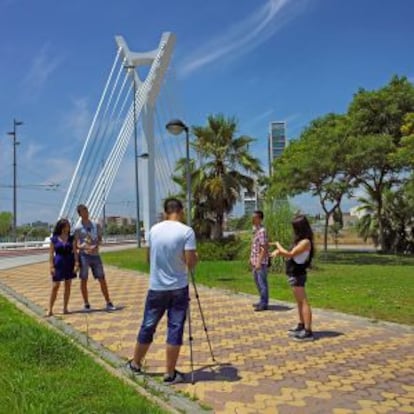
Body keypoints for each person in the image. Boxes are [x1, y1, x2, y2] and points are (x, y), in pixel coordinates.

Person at [127, 198, 197, 384]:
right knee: (175, 328)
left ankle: (135, 364)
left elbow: (149, 258)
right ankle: (170, 373)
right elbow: (190, 263)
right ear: (180, 211)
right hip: (179, 288)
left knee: (148, 325)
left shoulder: (153, 230)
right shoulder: (186, 231)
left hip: (156, 287)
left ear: (165, 212)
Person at [270, 214, 314, 341]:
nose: (294, 230)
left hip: (298, 274)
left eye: (295, 228)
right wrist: (278, 248)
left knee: (303, 301)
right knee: (299, 302)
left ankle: (308, 331)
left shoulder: (305, 242)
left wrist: (278, 248)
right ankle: (301, 325)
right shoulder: (301, 241)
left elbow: (290, 254)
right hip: (294, 274)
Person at [74, 204, 115, 312]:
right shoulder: (78, 228)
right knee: (84, 279)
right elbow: (76, 244)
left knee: (102, 278)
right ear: (80, 214)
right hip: (84, 256)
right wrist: (81, 247)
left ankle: (108, 301)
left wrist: (96, 246)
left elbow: (100, 238)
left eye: (86, 210)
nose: (86, 213)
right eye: (83, 211)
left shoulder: (95, 225)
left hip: (95, 255)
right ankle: (86, 303)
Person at [47, 218, 79, 316]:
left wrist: (77, 263)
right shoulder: (54, 238)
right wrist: (51, 266)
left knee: (68, 286)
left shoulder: (71, 238)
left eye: (69, 226)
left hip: (69, 263)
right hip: (58, 264)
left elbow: (75, 252)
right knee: (55, 286)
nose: (68, 227)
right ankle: (50, 309)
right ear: (61, 227)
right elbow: (51, 254)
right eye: (66, 226)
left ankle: (65, 308)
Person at [250, 210, 269, 311]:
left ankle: (264, 303)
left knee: (262, 282)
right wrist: (251, 259)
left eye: (255, 217)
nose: (252, 219)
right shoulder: (256, 230)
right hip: (254, 261)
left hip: (260, 262)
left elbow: (263, 248)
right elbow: (254, 247)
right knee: (257, 281)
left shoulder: (262, 231)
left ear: (260, 219)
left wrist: (258, 262)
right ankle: (262, 300)